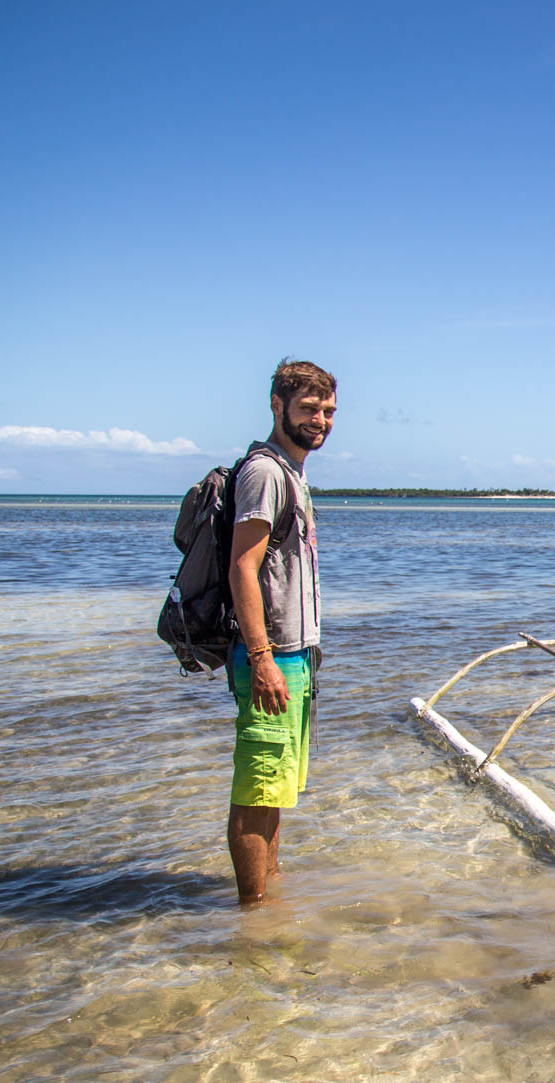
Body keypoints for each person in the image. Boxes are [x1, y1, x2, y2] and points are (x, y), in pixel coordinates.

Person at [225, 358, 335, 905]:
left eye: (328, 411)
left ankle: (271, 898)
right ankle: (253, 916)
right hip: (272, 655)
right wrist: (262, 655)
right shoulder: (266, 472)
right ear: (277, 406)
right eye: (309, 409)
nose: (321, 420)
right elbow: (242, 566)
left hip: (294, 656)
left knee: (274, 789)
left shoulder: (293, 473)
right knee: (256, 788)